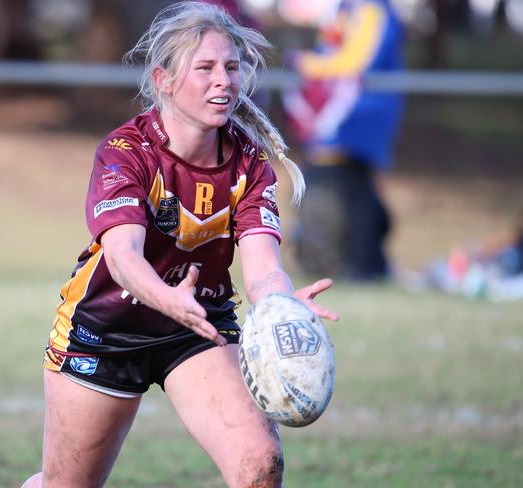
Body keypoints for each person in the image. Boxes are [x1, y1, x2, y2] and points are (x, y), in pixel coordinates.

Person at [22, 2, 338, 487]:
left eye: (232, 67)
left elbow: (262, 265)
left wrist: (279, 304)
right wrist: (168, 298)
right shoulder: (125, 153)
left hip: (198, 329)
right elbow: (124, 257)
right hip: (106, 331)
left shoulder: (249, 164)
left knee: (260, 464)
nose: (224, 81)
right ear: (163, 79)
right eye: (206, 68)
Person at [281, 0, 404, 281]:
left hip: (356, 120)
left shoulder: (371, 10)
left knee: (353, 194)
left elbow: (358, 60)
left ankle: (360, 265)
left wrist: (307, 64)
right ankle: (342, 261)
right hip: (336, 123)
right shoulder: (346, 9)